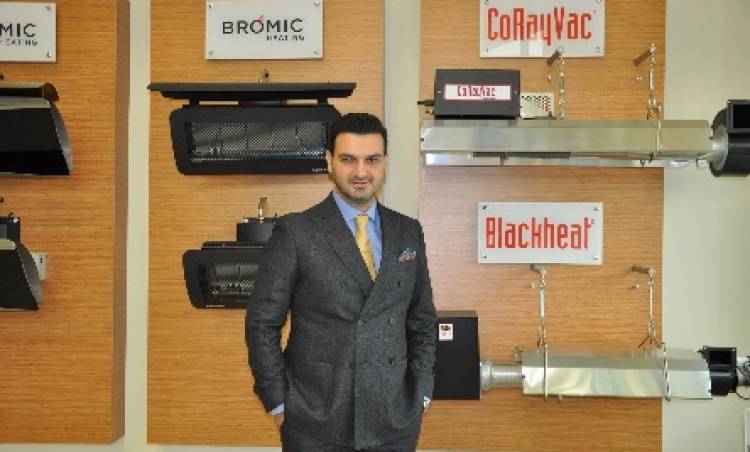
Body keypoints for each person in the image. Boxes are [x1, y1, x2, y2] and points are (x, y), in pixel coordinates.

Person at [245, 112, 437, 451]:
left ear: (385, 163)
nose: (361, 172)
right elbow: (262, 323)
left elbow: (421, 319)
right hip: (314, 419)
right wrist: (277, 400)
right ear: (329, 161)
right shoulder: (296, 232)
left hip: (394, 420)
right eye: (348, 159)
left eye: (371, 160)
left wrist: (420, 391)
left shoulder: (408, 231)